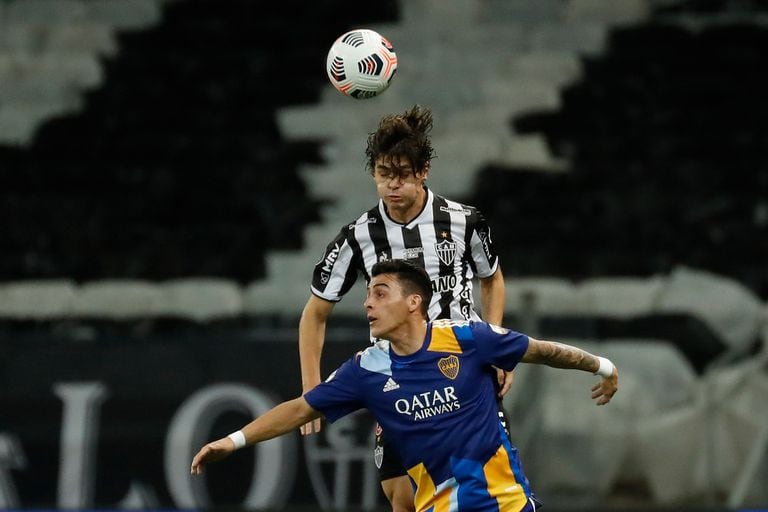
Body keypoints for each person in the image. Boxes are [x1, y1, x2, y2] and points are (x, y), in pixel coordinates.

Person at [191, 260, 619, 512]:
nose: (366, 304)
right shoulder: (365, 370)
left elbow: (542, 350)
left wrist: (603, 366)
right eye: (368, 295)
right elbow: (301, 409)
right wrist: (234, 440)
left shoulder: (469, 338)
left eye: (379, 293)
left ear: (414, 302)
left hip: (507, 505)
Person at [299, 105, 510, 511]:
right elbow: (315, 313)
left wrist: (496, 341)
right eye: (383, 174)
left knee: (481, 489)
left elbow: (492, 278)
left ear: (423, 170)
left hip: (461, 370)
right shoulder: (358, 237)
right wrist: (312, 390)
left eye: (402, 174)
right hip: (398, 381)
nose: (392, 185)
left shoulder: (464, 222)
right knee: (403, 498)